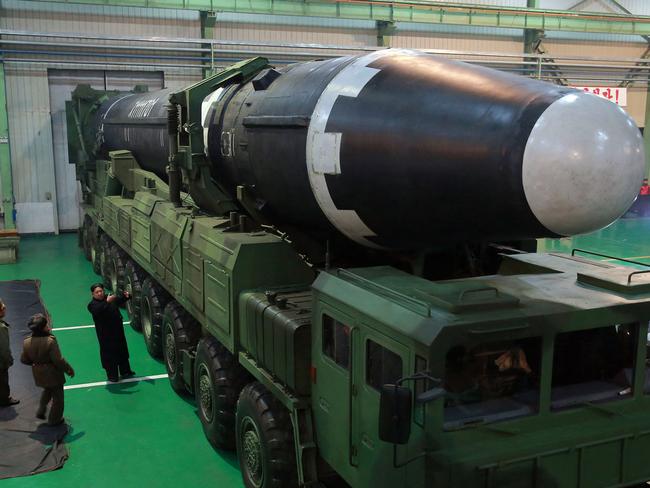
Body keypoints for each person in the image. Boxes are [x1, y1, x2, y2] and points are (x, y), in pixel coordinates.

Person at [21, 313, 75, 426]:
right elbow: (58, 360)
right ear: (42, 328)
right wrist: (69, 369)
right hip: (52, 373)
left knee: (47, 389)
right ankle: (54, 420)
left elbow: (24, 360)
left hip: (38, 372)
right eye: (46, 325)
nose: (48, 327)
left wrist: (37, 363)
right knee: (58, 398)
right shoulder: (50, 341)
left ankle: (41, 409)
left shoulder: (26, 342)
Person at [87, 283, 135, 383]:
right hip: (106, 336)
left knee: (122, 351)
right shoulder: (92, 305)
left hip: (118, 332)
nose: (100, 293)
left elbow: (118, 301)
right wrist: (107, 302)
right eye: (97, 292)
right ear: (93, 294)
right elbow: (98, 311)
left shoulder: (108, 298)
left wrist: (126, 297)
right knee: (110, 355)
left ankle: (125, 371)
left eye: (101, 291)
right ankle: (112, 376)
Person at [0, 299, 19, 407]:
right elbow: (4, 349)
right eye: (2, 307)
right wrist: (8, 361)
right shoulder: (1, 328)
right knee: (3, 381)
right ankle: (4, 400)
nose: (5, 308)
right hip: (0, 363)